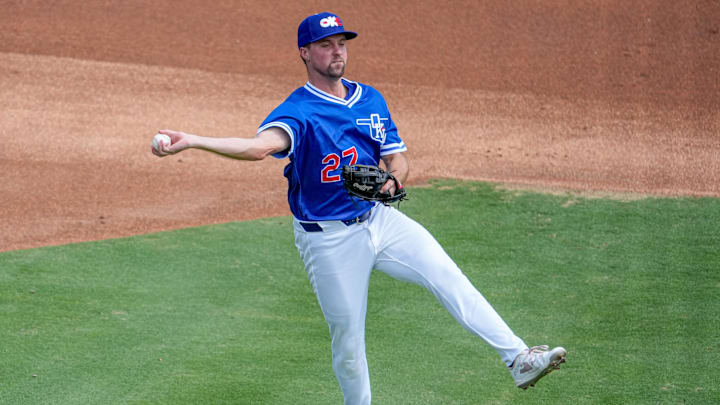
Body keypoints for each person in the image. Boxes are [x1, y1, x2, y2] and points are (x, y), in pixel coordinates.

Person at [152, 12, 566, 404]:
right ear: (304, 53)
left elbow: (396, 155)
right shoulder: (298, 111)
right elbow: (260, 148)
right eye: (326, 45)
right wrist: (193, 139)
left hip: (379, 219)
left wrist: (395, 178)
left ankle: (518, 358)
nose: (337, 52)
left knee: (447, 275)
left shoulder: (370, 99)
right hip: (329, 241)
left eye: (341, 44)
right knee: (348, 340)